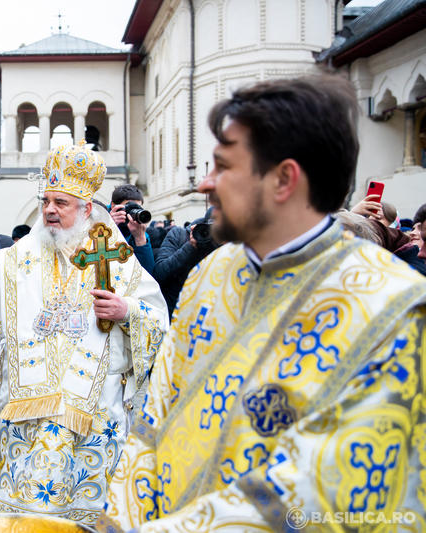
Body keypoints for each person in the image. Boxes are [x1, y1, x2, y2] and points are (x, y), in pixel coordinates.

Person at [100, 75, 426, 531]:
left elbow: (322, 491)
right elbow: (154, 420)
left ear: (283, 179)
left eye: (223, 166)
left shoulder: (393, 308)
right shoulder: (210, 276)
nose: (206, 184)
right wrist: (123, 520)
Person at [0, 142, 168, 526]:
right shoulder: (22, 255)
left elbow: (157, 319)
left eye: (62, 202)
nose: (51, 210)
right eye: (46, 201)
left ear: (87, 210)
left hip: (90, 414)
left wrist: (127, 311)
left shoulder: (113, 257)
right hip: (23, 417)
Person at [152, 207, 219, 318]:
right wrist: (190, 247)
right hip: (176, 313)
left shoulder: (233, 245)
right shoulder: (180, 235)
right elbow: (159, 274)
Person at [109, 184, 154, 271]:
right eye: (129, 206)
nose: (133, 212)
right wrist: (109, 226)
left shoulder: (139, 230)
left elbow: (148, 271)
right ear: (113, 205)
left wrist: (140, 239)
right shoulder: (100, 220)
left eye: (137, 207)